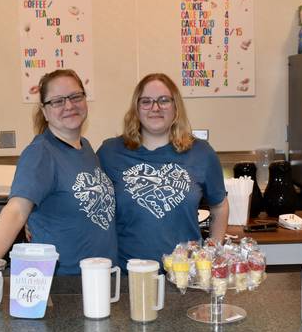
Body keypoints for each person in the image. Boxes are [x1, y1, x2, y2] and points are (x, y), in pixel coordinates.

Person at [0, 69, 117, 276]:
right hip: (64, 286)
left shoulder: (86, 147)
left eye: (75, 96)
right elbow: (16, 212)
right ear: (44, 111)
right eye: (57, 101)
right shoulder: (41, 153)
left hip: (99, 278)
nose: (69, 105)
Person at [97, 73, 228, 269]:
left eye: (164, 100)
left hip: (186, 274)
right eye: (146, 101)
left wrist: (212, 254)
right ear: (136, 109)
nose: (155, 108)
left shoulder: (201, 153)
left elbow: (219, 206)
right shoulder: (110, 152)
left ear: (176, 107)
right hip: (129, 274)